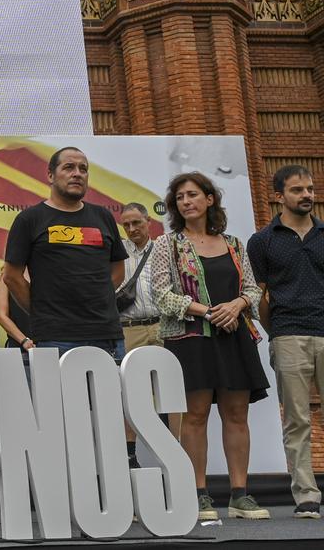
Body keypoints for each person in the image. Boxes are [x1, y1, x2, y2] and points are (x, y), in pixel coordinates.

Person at [151, 171, 268, 522]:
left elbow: (252, 289)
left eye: (192, 195)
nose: (186, 202)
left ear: (209, 199)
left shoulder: (233, 243)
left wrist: (236, 307)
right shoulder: (167, 245)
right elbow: (161, 294)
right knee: (195, 416)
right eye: (180, 198)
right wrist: (209, 311)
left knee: (236, 415)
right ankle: (198, 494)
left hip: (235, 336)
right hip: (190, 340)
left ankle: (239, 495)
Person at [247, 164, 323, 520]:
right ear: (279, 196)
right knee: (297, 419)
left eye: (309, 188)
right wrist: (277, 331)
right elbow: (260, 295)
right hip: (288, 333)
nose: (307, 195)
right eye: (298, 190)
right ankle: (306, 494)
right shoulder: (262, 241)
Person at [1, 146, 128, 358]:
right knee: (58, 393)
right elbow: (12, 276)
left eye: (83, 169)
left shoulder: (103, 217)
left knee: (108, 393)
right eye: (68, 167)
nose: (77, 173)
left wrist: (98, 299)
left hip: (106, 335)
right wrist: (43, 311)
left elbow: (118, 270)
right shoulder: (29, 220)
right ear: (50, 175)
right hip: (55, 337)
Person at [116, 202, 178, 467]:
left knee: (171, 392)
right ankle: (130, 456)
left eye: (136, 223)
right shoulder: (116, 251)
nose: (131, 229)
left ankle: (176, 454)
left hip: (165, 325)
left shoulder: (165, 249)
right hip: (129, 329)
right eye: (126, 225)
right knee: (129, 394)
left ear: (148, 221)